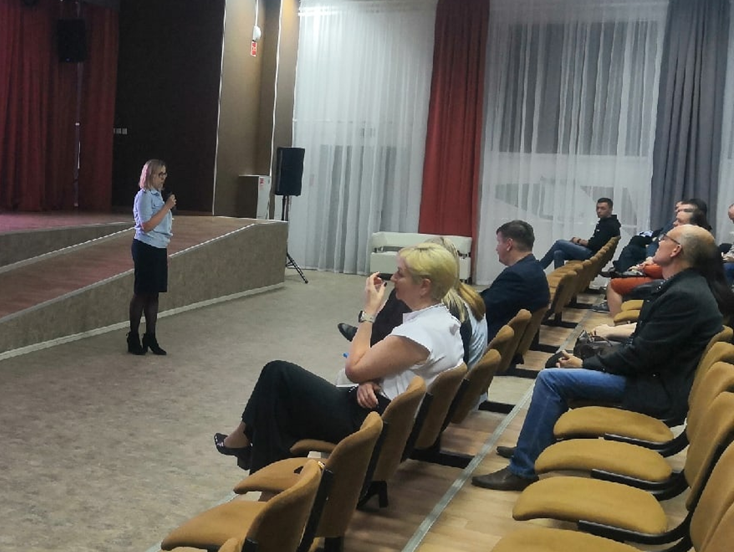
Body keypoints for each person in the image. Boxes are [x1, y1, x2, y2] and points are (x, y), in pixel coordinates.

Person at [473, 224, 731, 491]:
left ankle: (523, 469)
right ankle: (533, 445)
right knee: (560, 362)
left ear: (676, 250)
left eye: (665, 239)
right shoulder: (686, 287)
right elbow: (646, 347)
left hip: (655, 389)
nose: (659, 242)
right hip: (654, 378)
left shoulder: (684, 295)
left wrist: (586, 364)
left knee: (552, 379)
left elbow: (640, 356)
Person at [214, 242, 465, 472]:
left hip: (372, 424)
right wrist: (368, 379)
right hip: (388, 417)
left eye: (401, 273)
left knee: (278, 374)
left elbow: (353, 369)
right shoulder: (444, 321)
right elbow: (384, 368)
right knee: (281, 397)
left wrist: (369, 312)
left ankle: (264, 473)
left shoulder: (417, 334)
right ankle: (261, 466)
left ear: (424, 286)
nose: (393, 278)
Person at [604, 200, 709, 316]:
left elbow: (671, 270)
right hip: (665, 278)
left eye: (679, 220)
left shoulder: (688, 243)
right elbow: (656, 245)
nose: (674, 223)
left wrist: (644, 268)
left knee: (614, 285)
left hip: (665, 281)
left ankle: (619, 322)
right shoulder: (690, 238)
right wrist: (650, 260)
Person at [128, 158, 175, 356]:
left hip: (158, 248)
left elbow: (163, 226)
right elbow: (146, 225)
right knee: (142, 293)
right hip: (145, 247)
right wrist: (166, 207)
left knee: (154, 294)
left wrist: (165, 250)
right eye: (159, 174)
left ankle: (151, 336)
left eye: (165, 174)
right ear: (150, 176)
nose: (163, 178)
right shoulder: (144, 196)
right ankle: (133, 337)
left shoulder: (159, 196)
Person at [482, 220, 551, 336]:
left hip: (493, 336)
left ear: (509, 244)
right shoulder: (534, 268)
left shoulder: (515, 276)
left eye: (499, 242)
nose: (496, 248)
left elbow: (482, 309)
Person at [538, 197, 620, 271]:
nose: (599, 211)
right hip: (594, 253)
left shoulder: (608, 225)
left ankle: (539, 267)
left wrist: (579, 241)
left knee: (559, 243)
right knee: (558, 253)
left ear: (610, 209)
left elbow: (594, 245)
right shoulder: (609, 222)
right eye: (597, 208)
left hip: (592, 255)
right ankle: (561, 281)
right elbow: (597, 242)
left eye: (602, 208)